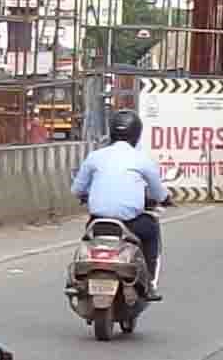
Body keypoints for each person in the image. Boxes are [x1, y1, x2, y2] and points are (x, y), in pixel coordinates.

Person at [72, 114, 168, 292]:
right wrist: (165, 200)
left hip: (97, 222)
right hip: (132, 224)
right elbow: (159, 193)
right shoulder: (142, 159)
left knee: (86, 242)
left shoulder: (95, 156)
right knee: (152, 229)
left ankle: (76, 281)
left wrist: (86, 195)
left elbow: (77, 189)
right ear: (137, 134)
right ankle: (149, 282)